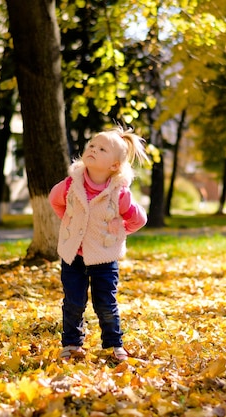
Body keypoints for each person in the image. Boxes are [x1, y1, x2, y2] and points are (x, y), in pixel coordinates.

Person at [49, 125, 150, 361]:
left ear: (114, 166)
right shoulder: (70, 185)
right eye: (92, 145)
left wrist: (120, 230)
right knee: (73, 301)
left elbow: (139, 219)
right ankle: (72, 344)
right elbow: (55, 201)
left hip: (104, 257)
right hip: (73, 255)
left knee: (106, 303)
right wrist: (69, 222)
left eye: (102, 149)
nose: (93, 149)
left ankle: (113, 345)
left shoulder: (119, 193)